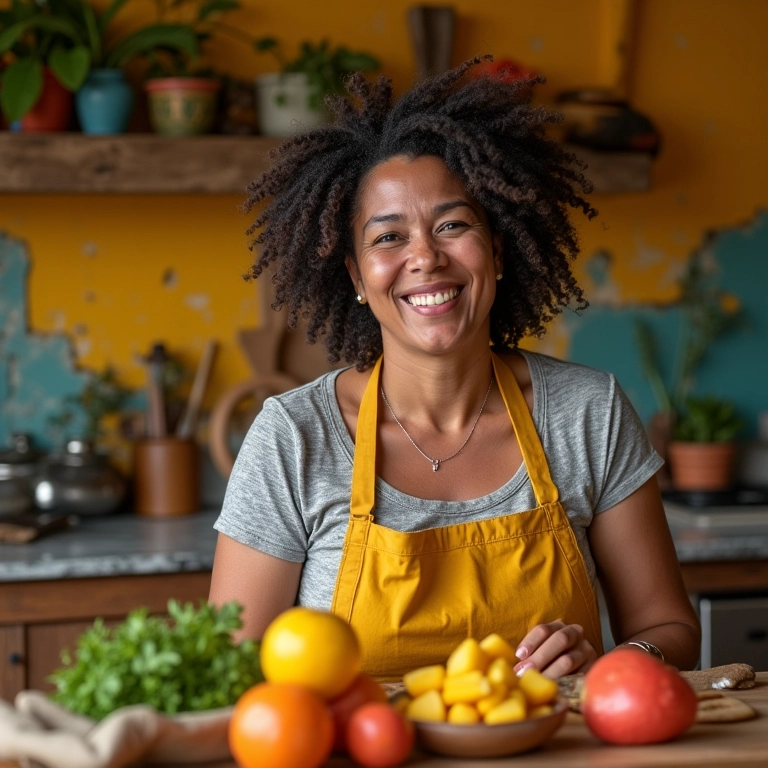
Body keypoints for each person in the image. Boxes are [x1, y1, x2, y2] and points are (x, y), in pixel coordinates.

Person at [209, 58, 701, 680]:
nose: (424, 257)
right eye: (388, 237)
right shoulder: (293, 437)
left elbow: (671, 630)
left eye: (452, 225)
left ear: (495, 251)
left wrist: (612, 662)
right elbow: (232, 672)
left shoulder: (587, 411)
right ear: (358, 277)